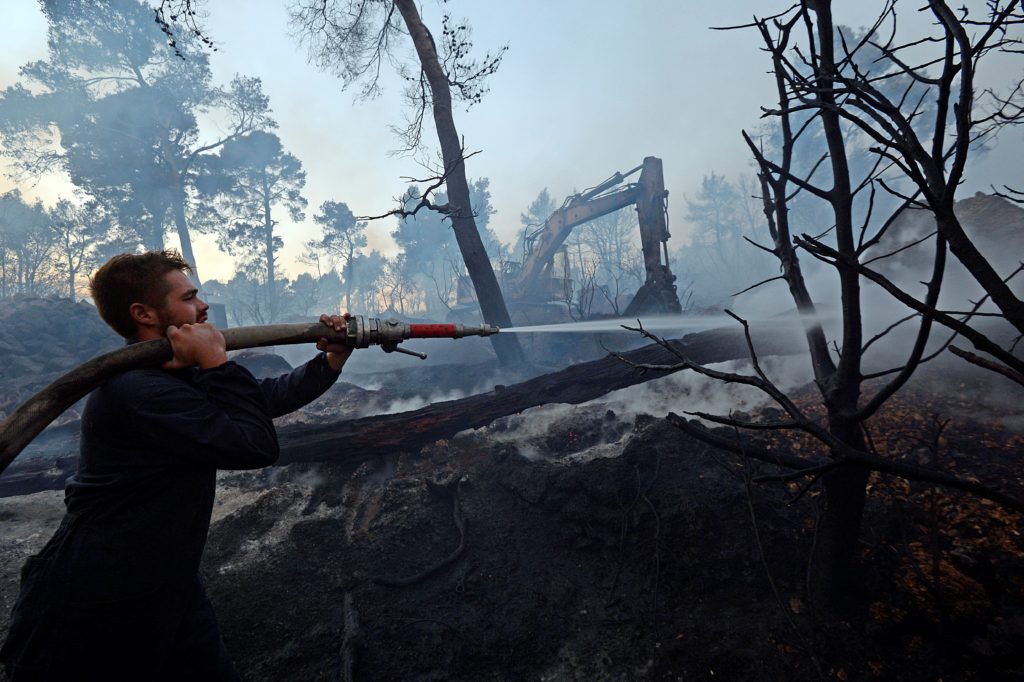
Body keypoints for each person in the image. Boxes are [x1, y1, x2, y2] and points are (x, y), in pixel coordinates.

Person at [0, 250, 353, 681]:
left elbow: (261, 401)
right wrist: (215, 363)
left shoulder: (169, 377)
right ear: (144, 313)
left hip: (167, 587)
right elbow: (254, 446)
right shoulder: (140, 390)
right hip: (95, 599)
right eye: (189, 297)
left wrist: (330, 359)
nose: (203, 306)